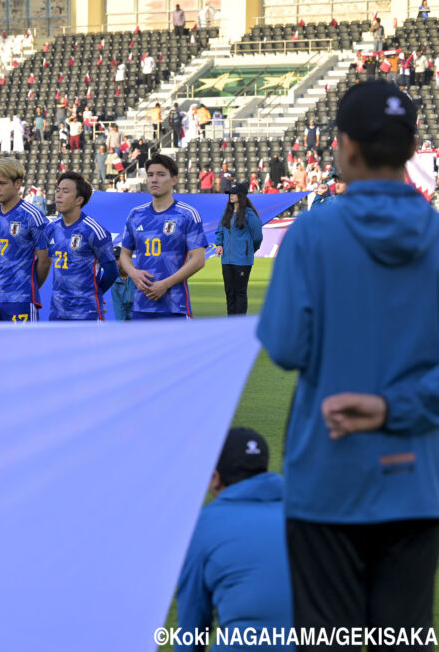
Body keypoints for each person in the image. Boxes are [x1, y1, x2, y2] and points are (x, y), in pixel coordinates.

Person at [258, 81, 439, 647]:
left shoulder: (314, 233)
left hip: (327, 482)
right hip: (416, 483)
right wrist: (392, 406)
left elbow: (284, 347)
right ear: (410, 149)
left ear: (345, 146)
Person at [175, 428, 294, 652]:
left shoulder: (203, 524)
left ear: (215, 477)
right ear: (265, 470)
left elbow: (192, 627)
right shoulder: (305, 516)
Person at [118, 155, 207, 319]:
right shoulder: (135, 215)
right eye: (150, 175)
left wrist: (165, 284)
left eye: (160, 174)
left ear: (174, 180)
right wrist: (133, 273)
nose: (154, 179)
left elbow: (199, 259)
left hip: (175, 307)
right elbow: (124, 254)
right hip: (141, 306)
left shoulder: (187, 214)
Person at [0, 157, 50, 322]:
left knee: (24, 347)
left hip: (21, 299)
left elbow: (45, 261)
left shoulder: (33, 216)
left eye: (2, 183)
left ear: (18, 184)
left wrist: (29, 287)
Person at [45, 171, 116, 321]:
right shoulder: (51, 229)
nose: (58, 195)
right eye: (58, 190)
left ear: (79, 200)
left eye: (65, 191)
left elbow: (112, 270)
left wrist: (97, 293)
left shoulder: (94, 230)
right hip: (57, 313)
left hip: (86, 313)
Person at [214, 185, 263, 316]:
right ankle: (231, 322)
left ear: (241, 196)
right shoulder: (227, 212)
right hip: (227, 259)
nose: (231, 195)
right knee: (229, 293)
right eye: (230, 193)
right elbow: (220, 229)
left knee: (240, 292)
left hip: (242, 260)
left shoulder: (249, 214)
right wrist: (219, 244)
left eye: (234, 193)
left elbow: (258, 236)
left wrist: (249, 249)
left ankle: (240, 323)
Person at [110, 246, 135, 321]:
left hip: (142, 320)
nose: (115, 262)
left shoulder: (137, 275)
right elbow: (119, 310)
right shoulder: (114, 282)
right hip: (127, 325)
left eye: (117, 258)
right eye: (112, 260)